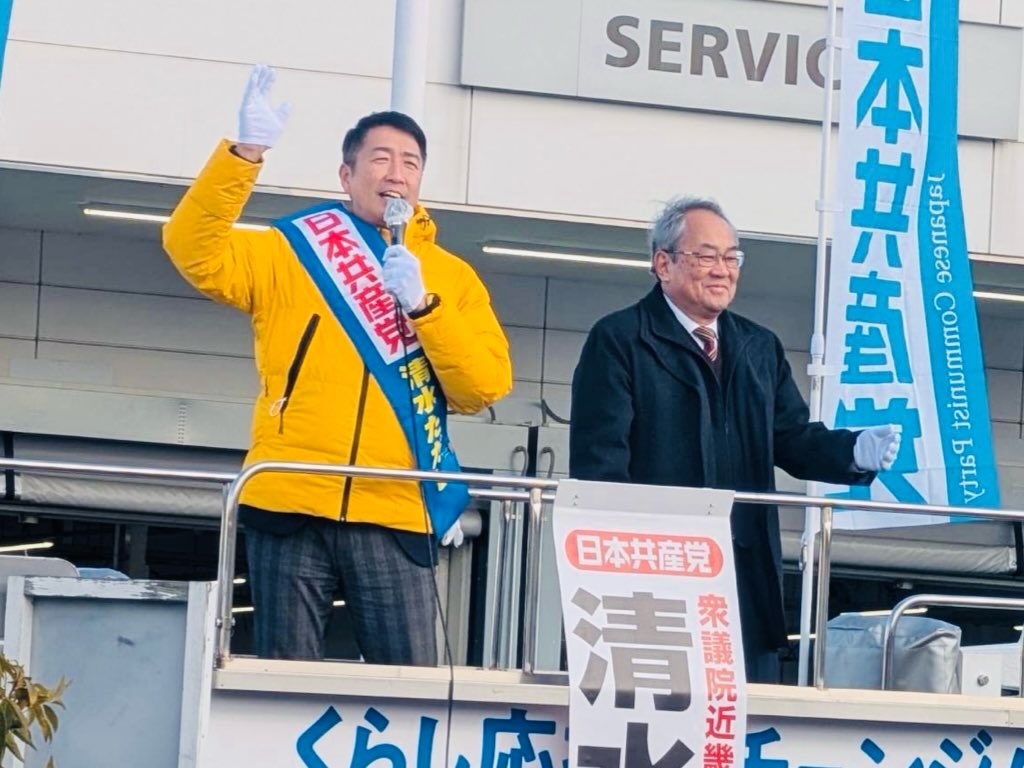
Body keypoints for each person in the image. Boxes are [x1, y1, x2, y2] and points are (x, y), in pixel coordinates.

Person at [163, 65, 512, 665]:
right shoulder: (294, 248)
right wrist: (244, 154)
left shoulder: (450, 277)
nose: (396, 173)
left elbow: (483, 386)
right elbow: (193, 249)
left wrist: (424, 308)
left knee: (408, 686)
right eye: (380, 159)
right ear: (347, 175)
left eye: (410, 162)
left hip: (396, 501)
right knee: (284, 680)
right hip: (291, 494)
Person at [568, 197, 900, 684]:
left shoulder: (757, 346)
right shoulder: (621, 339)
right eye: (706, 256)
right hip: (655, 571)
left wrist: (852, 451)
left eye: (732, 257)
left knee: (742, 706)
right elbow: (601, 465)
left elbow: (790, 437)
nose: (722, 270)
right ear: (663, 264)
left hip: (742, 570)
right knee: (657, 702)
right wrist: (620, 559)